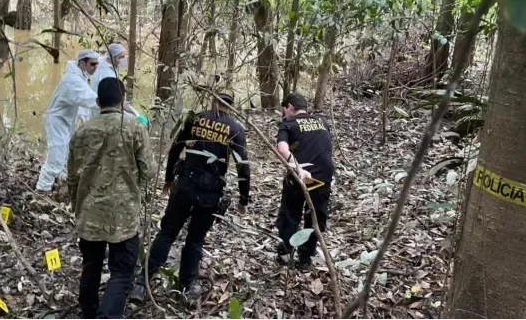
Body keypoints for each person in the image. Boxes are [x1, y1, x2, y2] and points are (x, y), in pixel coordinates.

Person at [131, 88, 250, 301]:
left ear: (213, 101)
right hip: (210, 193)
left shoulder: (196, 119)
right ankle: (186, 287)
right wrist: (243, 199)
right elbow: (243, 167)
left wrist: (168, 178)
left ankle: (142, 284)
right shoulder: (235, 129)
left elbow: (176, 147)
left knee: (167, 232)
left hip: (185, 184)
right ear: (231, 105)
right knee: (195, 239)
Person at [67, 77, 155, 319]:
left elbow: (72, 176)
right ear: (123, 100)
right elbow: (149, 171)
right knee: (122, 272)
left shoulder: (81, 132)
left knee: (91, 267)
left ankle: (89, 312)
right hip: (123, 217)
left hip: (89, 214)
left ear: (97, 102)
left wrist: (78, 208)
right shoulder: (135, 128)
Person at [275, 91, 335, 270]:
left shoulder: (289, 124)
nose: (284, 114)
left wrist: (297, 166)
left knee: (290, 214)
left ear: (290, 107)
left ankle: (286, 252)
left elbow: (282, 148)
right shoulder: (322, 122)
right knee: (315, 216)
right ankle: (305, 258)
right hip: (323, 177)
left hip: (299, 176)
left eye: (284, 110)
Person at [35, 50, 100, 192]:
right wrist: (113, 102)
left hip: (66, 121)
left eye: (97, 63)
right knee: (56, 157)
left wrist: (82, 117)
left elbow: (82, 98)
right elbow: (89, 98)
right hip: (57, 121)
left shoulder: (80, 76)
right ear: (82, 63)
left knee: (68, 155)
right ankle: (41, 190)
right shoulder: (72, 80)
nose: (96, 66)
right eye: (92, 63)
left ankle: (63, 185)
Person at [77, 43, 149, 125]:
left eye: (124, 56)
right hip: (104, 114)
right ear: (111, 57)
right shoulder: (106, 74)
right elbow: (115, 103)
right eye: (120, 57)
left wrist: (135, 113)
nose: (123, 59)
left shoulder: (102, 61)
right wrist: (136, 117)